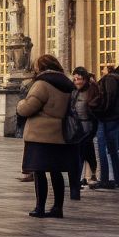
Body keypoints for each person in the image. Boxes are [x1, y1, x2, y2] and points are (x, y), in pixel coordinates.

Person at [16, 55, 75, 218]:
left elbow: (27, 108)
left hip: (39, 135)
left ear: (41, 68)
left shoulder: (42, 84)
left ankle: (40, 207)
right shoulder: (67, 83)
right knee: (56, 172)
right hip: (59, 133)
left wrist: (20, 104)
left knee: (39, 171)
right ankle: (57, 207)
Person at [68, 67, 102, 200]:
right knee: (84, 153)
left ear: (85, 79)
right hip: (76, 127)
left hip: (87, 126)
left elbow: (96, 106)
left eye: (80, 79)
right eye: (75, 79)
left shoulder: (91, 90)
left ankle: (78, 183)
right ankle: (85, 177)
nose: (77, 81)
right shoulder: (74, 91)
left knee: (82, 154)